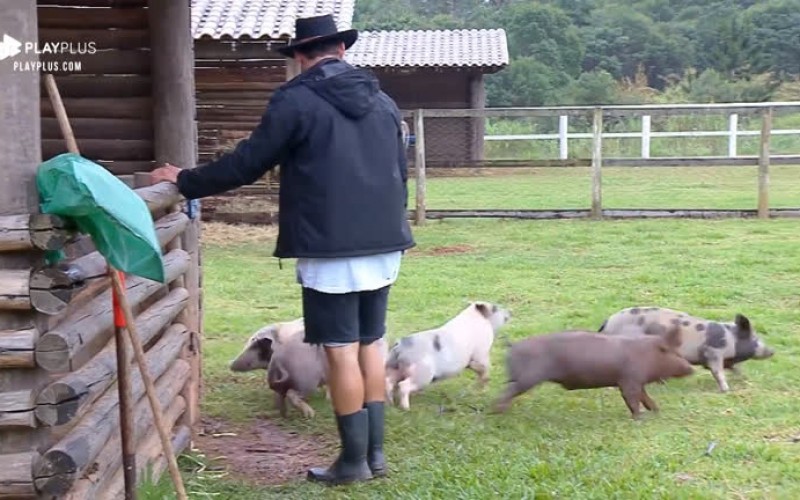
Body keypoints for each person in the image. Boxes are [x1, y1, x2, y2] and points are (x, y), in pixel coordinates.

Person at [150, 13, 414, 486]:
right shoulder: (384, 101)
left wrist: (185, 180)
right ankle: (374, 457)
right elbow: (401, 168)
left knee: (338, 353)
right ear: (342, 50)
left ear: (299, 56)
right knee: (371, 344)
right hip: (384, 242)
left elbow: (249, 162)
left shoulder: (296, 99)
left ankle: (353, 462)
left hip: (331, 245)